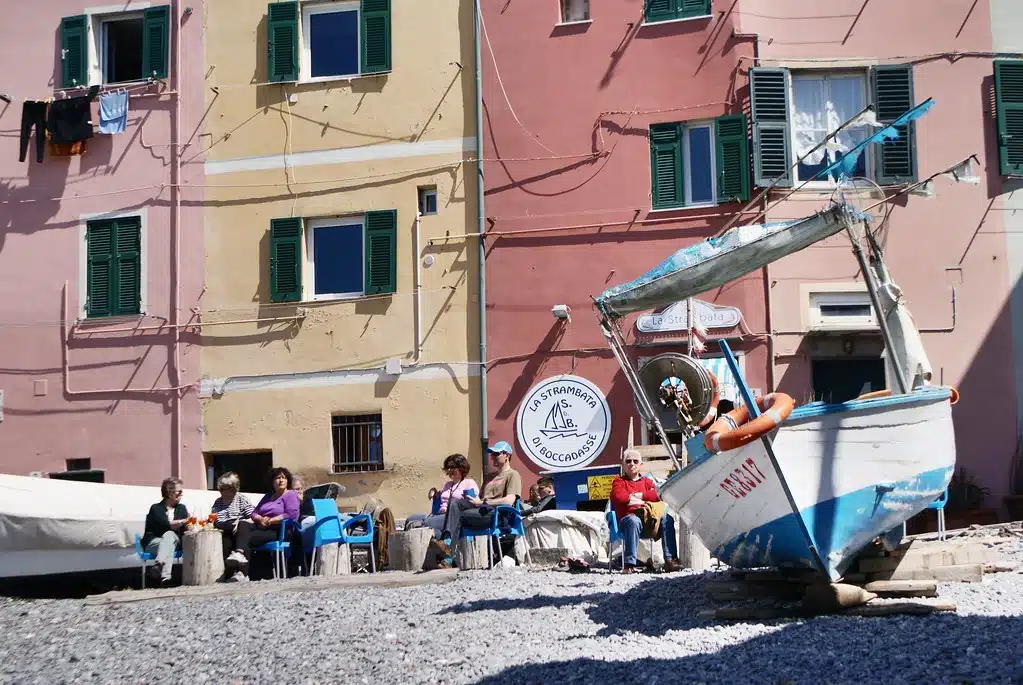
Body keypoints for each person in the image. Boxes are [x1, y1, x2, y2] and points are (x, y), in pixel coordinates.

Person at [609, 449, 680, 574]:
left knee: (667, 518)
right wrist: (641, 499)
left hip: (649, 520)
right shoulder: (619, 482)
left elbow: (656, 496)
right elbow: (617, 496)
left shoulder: (647, 482)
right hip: (628, 520)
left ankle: (670, 561)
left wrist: (638, 497)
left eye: (635, 461)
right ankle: (629, 564)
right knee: (633, 520)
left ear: (641, 465)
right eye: (628, 461)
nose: (632, 464)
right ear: (623, 465)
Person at [441, 441, 522, 543]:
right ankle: (446, 543)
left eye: (496, 454)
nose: (492, 457)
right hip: (481, 511)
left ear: (507, 455)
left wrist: (483, 502)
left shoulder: (513, 475)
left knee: (457, 515)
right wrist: (471, 498)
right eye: (492, 454)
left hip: (497, 514)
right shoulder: (489, 477)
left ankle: (447, 545)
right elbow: (479, 500)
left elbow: (509, 501)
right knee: (454, 502)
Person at [408, 454, 480, 539]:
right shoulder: (448, 485)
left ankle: (439, 537)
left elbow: (473, 502)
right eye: (448, 467)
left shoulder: (469, 483)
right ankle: (441, 542)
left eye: (452, 467)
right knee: (410, 519)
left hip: (453, 518)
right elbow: (439, 495)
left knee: (424, 523)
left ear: (461, 467)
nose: (449, 470)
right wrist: (434, 491)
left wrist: (471, 497)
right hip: (439, 515)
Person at [249, 467, 302, 578]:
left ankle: (243, 568)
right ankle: (240, 557)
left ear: (288, 480)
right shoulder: (268, 496)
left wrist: (270, 520)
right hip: (263, 527)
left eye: (284, 478)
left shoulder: (291, 495)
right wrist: (260, 519)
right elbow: (254, 513)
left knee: (247, 537)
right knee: (242, 526)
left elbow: (290, 515)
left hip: (281, 531)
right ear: (272, 482)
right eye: (278, 478)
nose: (281, 480)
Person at [142, 477, 189, 586]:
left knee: (169, 536)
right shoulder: (155, 508)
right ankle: (165, 578)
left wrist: (188, 524)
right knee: (168, 537)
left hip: (174, 541)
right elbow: (166, 525)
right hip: (154, 542)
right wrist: (184, 521)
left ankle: (158, 565)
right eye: (179, 492)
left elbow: (182, 527)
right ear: (169, 492)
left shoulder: (182, 508)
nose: (181, 494)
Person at [211, 472, 255, 581]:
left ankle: (243, 572)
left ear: (235, 488)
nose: (225, 491)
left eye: (228, 488)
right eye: (222, 489)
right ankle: (229, 574)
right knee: (225, 540)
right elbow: (213, 518)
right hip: (222, 528)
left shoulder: (241, 499)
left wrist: (240, 522)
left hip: (238, 527)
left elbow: (253, 517)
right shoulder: (218, 502)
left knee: (239, 537)